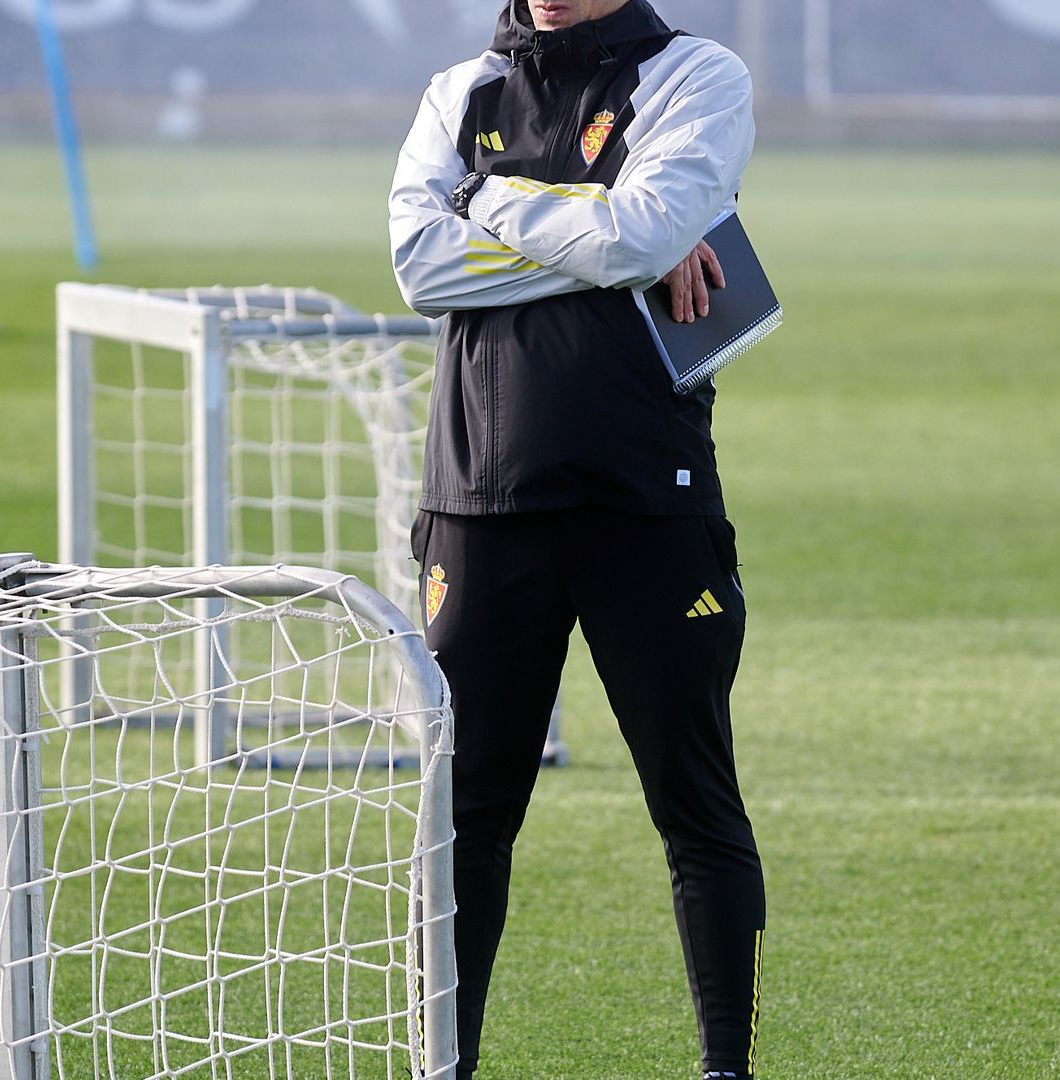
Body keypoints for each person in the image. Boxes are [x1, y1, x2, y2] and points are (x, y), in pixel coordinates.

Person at [387, 1, 766, 1077]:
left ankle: (725, 1067)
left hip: (647, 496)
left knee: (695, 800)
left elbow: (642, 235)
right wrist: (611, 238)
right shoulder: (460, 91)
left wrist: (489, 199)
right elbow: (420, 269)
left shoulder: (697, 74)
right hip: (482, 501)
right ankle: (446, 1065)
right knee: (468, 811)